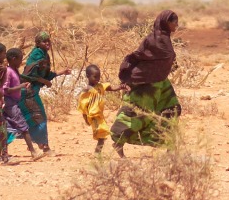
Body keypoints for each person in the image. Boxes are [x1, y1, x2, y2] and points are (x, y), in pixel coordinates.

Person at [111, 9, 182, 155]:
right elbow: (138, 56)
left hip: (162, 83)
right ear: (166, 22)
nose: (177, 25)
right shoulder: (152, 40)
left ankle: (169, 145)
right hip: (147, 83)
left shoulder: (165, 38)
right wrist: (129, 76)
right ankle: (119, 141)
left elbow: (166, 59)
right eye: (174, 22)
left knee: (172, 109)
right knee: (139, 114)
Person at [18, 32, 67, 154]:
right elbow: (30, 75)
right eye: (44, 41)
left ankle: (1, 149)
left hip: (31, 91)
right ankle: (44, 147)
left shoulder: (44, 55)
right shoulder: (36, 54)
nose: (47, 43)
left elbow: (45, 73)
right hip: (28, 91)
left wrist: (61, 72)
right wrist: (44, 81)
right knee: (40, 117)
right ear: (38, 44)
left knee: (21, 119)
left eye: (48, 41)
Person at [2, 47, 40, 159]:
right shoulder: (8, 71)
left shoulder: (14, 70)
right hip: (10, 103)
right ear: (13, 59)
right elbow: (6, 89)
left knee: (6, 128)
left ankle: (0, 153)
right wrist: (21, 86)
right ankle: (33, 152)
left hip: (12, 102)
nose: (21, 62)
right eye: (20, 59)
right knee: (23, 127)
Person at [76, 64, 112, 154]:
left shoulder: (99, 86)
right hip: (93, 116)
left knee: (102, 135)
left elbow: (109, 87)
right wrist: (85, 118)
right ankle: (97, 153)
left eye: (99, 77)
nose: (97, 79)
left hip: (100, 115)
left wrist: (121, 87)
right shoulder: (86, 90)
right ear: (88, 76)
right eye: (95, 77)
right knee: (102, 132)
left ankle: (98, 152)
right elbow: (83, 105)